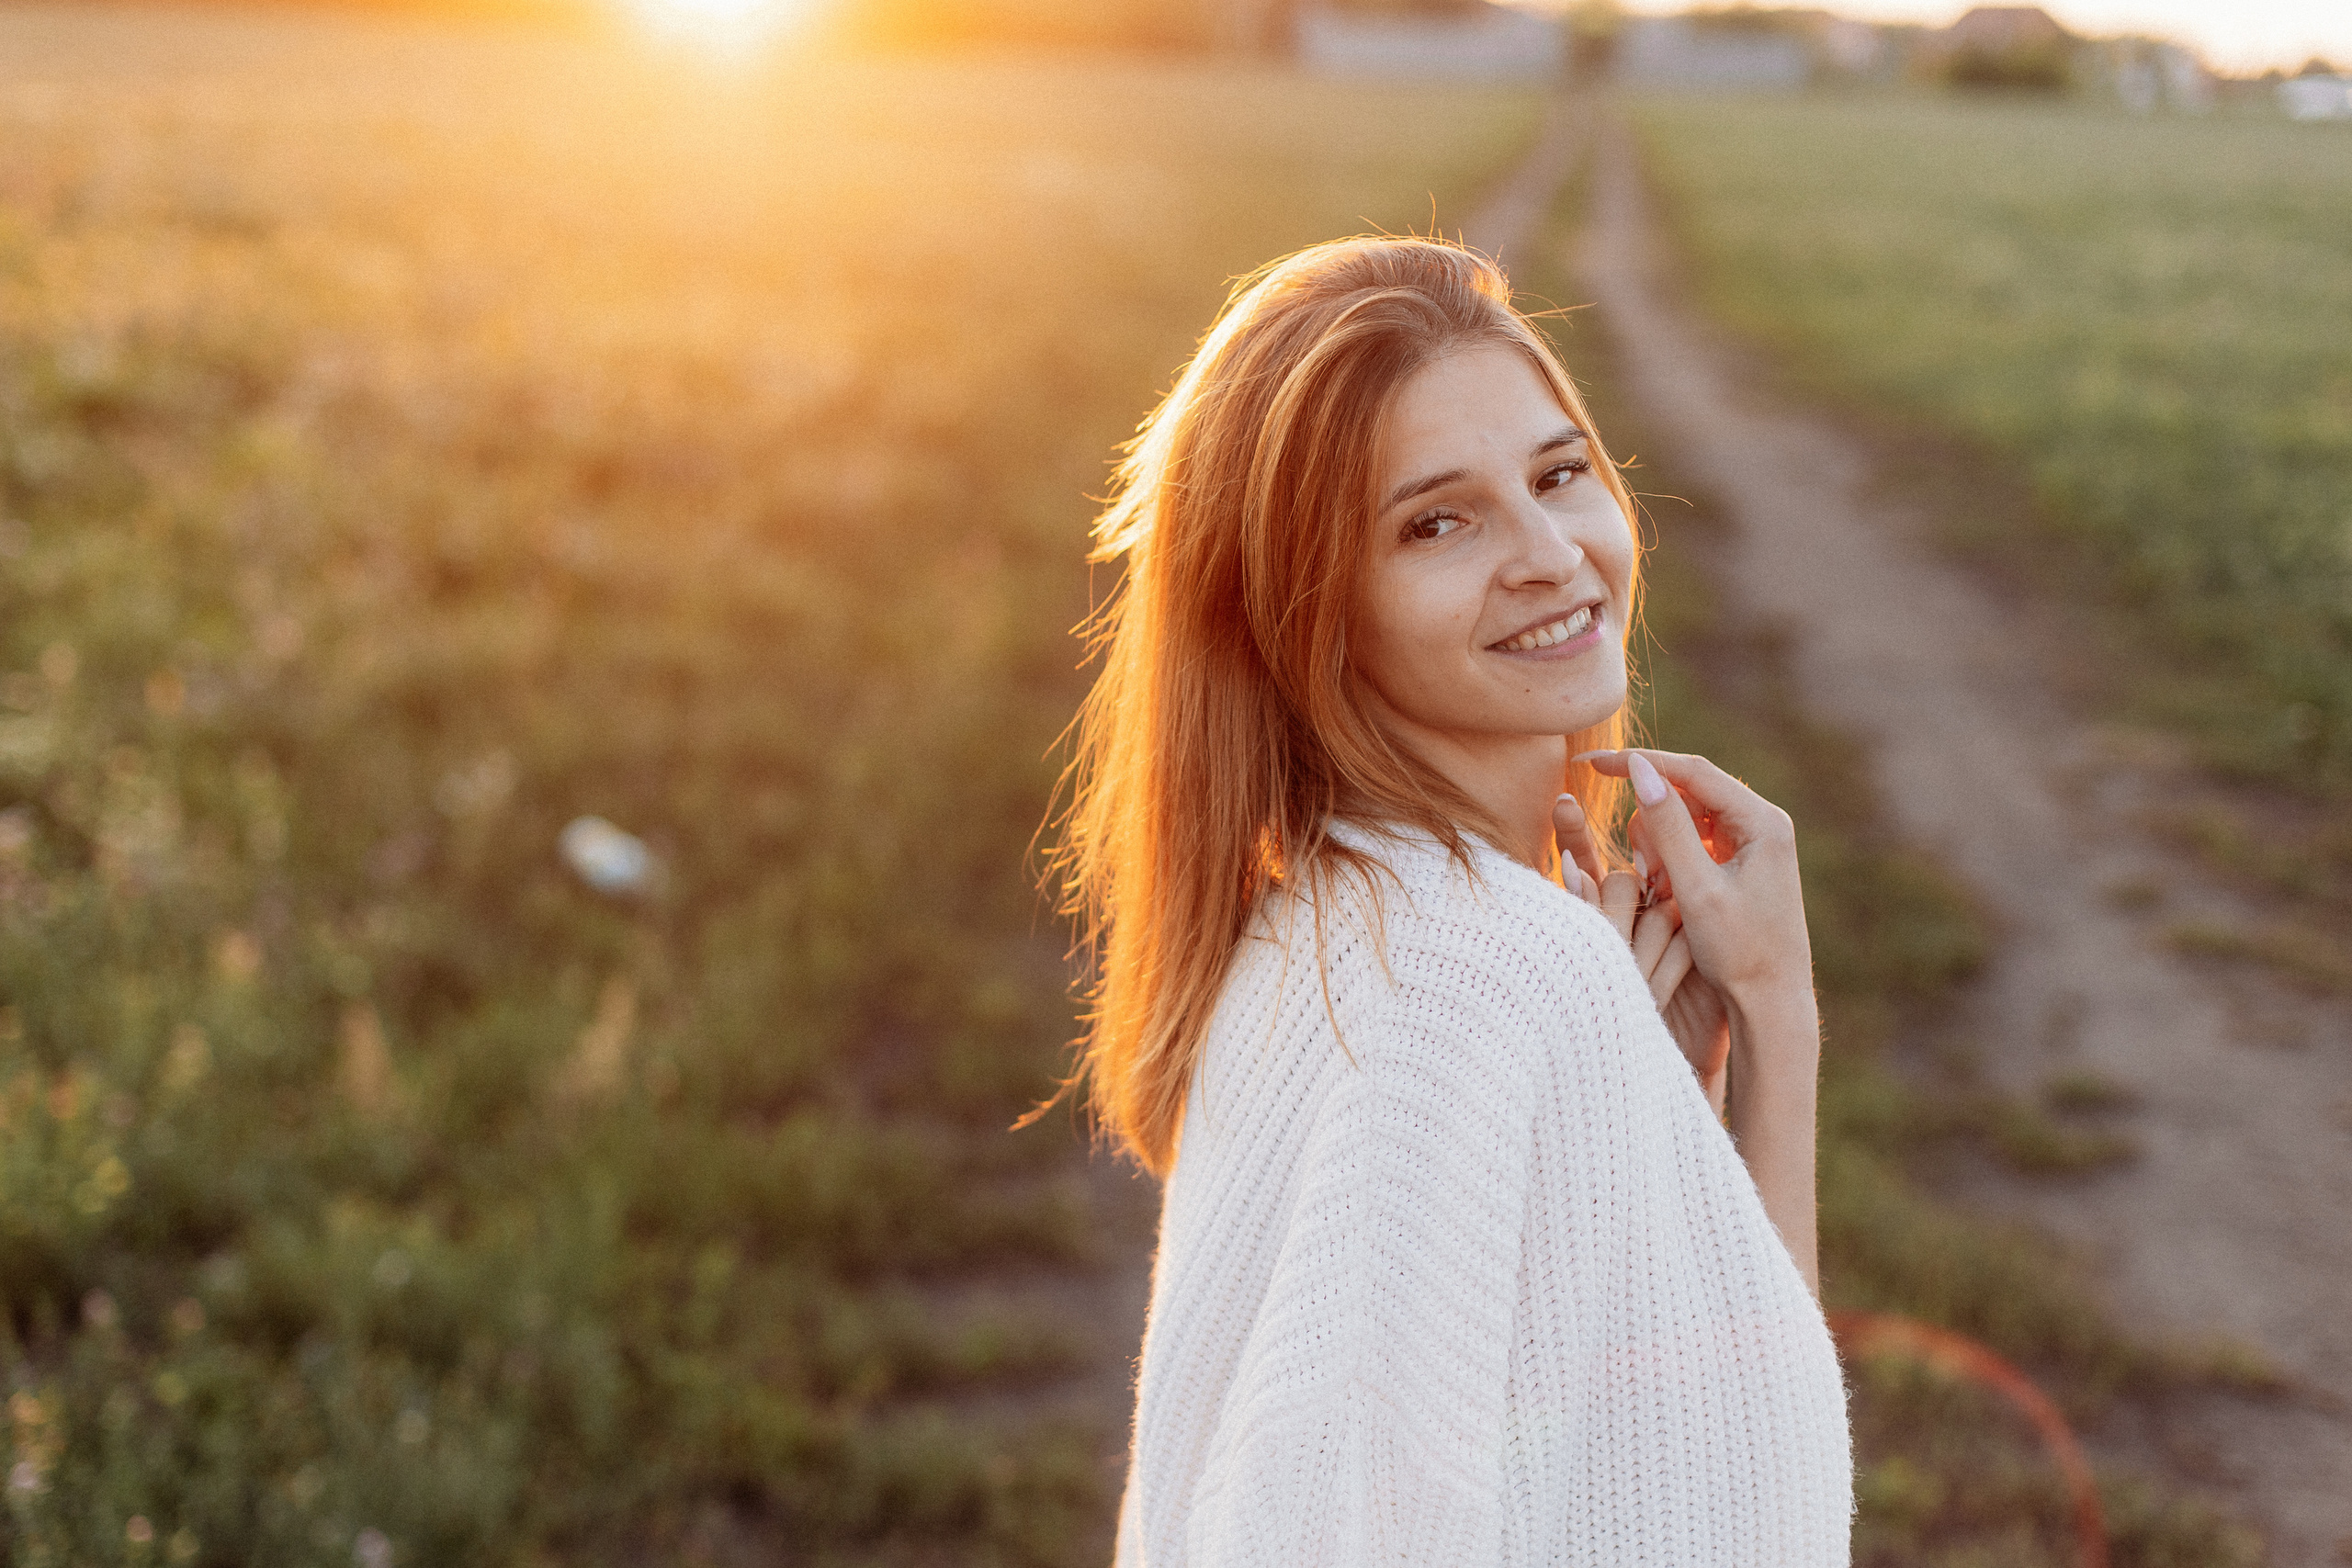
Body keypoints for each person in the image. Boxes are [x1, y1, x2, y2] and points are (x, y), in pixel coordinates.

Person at [1048, 236, 1853, 1564]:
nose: (1552, 554)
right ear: (1307, 613)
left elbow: (1705, 1446)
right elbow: (1761, 1529)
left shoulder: (1323, 916)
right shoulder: (1487, 975)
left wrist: (1745, 1044)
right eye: (1437, 521)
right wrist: (1754, 1022)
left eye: (1559, 474)